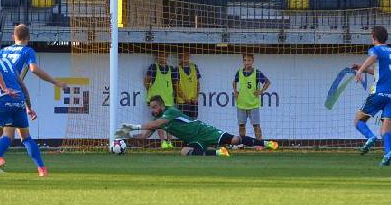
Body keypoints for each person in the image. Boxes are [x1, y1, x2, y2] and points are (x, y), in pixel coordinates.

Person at [0, 25, 65, 176]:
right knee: (11, 135)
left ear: (12, 37)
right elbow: (31, 72)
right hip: (15, 94)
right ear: (28, 38)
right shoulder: (27, 51)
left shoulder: (2, 52)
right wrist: (54, 82)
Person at [118, 95, 278, 157]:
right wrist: (126, 136)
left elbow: (158, 124)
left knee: (235, 140)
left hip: (203, 131)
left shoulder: (170, 112)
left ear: (161, 105)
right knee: (184, 151)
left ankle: (266, 143)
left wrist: (133, 126)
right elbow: (144, 136)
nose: (152, 110)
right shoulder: (157, 118)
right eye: (151, 108)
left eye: (154, 107)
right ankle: (219, 152)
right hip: (194, 139)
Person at [352, 25, 391, 166]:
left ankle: (370, 137)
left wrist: (360, 70)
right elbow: (379, 72)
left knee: (358, 120)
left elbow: (373, 57)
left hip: (379, 93)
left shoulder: (376, 49)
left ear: (373, 38)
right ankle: (388, 154)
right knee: (386, 130)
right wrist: (363, 69)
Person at [233, 52, 270, 143]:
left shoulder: (257, 72)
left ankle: (259, 143)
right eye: (245, 60)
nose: (247, 62)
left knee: (256, 125)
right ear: (243, 61)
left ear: (253, 61)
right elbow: (234, 82)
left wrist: (261, 91)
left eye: (249, 60)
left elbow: (267, 82)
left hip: (253, 104)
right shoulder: (239, 72)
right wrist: (235, 91)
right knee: (241, 125)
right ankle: (242, 143)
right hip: (241, 104)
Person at [145, 50, 176, 149]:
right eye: (160, 55)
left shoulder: (171, 69)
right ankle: (163, 142)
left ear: (167, 57)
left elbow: (174, 84)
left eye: (164, 55)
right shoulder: (153, 67)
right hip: (157, 102)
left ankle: (170, 142)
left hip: (168, 100)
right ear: (157, 57)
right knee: (159, 122)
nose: (162, 57)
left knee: (169, 123)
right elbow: (147, 81)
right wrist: (151, 92)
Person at [173, 51, 201, 119]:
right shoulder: (176, 69)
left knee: (194, 121)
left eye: (187, 55)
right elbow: (176, 87)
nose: (185, 57)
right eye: (183, 55)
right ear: (179, 57)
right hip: (182, 102)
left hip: (193, 101)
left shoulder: (194, 67)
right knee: (183, 121)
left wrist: (196, 97)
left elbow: (198, 83)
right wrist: (185, 98)